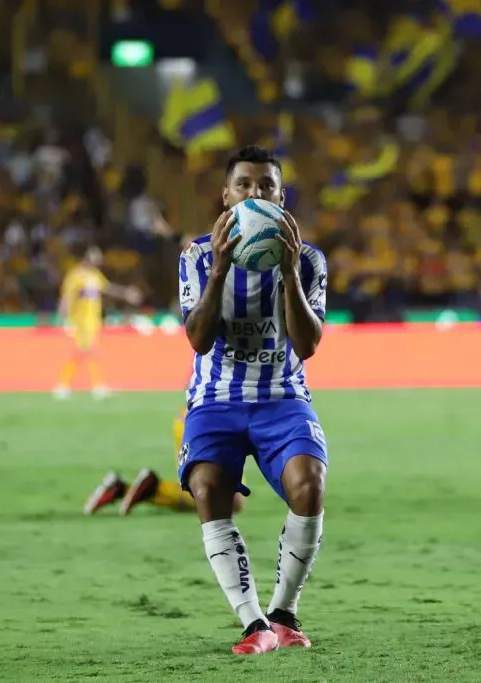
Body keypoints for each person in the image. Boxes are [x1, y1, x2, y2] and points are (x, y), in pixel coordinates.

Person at [176, 145, 329, 655]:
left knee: (310, 483)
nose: (254, 194)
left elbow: (307, 346)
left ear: (282, 200)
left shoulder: (308, 260)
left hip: (282, 395)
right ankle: (252, 623)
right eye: (244, 185)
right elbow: (197, 340)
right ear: (226, 197)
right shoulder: (197, 256)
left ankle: (283, 613)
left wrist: (287, 273)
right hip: (215, 399)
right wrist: (220, 270)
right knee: (206, 486)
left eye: (266, 186)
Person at [82, 407, 246, 516]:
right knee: (228, 502)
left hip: (200, 418)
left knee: (227, 501)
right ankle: (153, 488)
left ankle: (124, 489)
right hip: (208, 423)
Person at [53, 245, 142, 399]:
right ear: (87, 259)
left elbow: (107, 288)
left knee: (88, 352)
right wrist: (62, 317)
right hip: (79, 321)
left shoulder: (95, 275)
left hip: (93, 320)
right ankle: (66, 384)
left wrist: (126, 293)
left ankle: (86, 385)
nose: (97, 264)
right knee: (84, 351)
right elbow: (67, 296)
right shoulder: (76, 275)